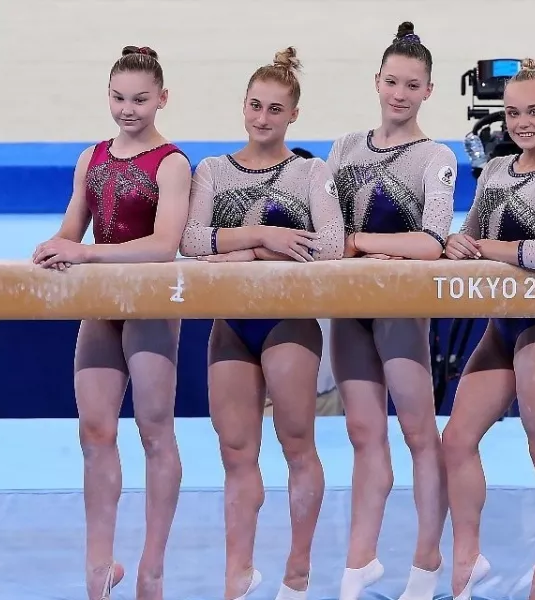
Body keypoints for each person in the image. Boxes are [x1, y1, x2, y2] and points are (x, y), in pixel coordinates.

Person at [179, 47, 345, 600]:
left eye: (276, 109)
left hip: (287, 323)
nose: (263, 117)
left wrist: (245, 252)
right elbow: (191, 240)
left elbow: (332, 245)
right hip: (233, 323)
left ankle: (297, 573)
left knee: (296, 444)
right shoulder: (212, 171)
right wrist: (261, 237)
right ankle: (238, 575)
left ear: (293, 114)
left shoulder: (310, 172)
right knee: (235, 452)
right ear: (243, 106)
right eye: (255, 105)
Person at [31, 46, 192, 600]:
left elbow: (165, 245)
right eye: (119, 98)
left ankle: (152, 569)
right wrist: (55, 247)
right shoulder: (91, 158)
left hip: (148, 304)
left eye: (140, 99)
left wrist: (87, 254)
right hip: (102, 305)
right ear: (108, 96)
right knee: (95, 432)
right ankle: (99, 569)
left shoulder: (172, 163)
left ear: (162, 99)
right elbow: (72, 228)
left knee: (154, 432)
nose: (128, 109)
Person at [442, 58, 535, 600]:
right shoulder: (497, 171)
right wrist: (458, 243)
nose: (522, 123)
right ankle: (468, 557)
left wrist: (483, 247)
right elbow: (470, 234)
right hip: (502, 325)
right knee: (456, 439)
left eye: (534, 112)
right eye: (513, 113)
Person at [325, 21, 457, 600]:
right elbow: (326, 228)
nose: (400, 94)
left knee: (418, 431)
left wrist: (359, 243)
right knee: (362, 432)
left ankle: (427, 563)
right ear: (376, 81)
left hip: (399, 305)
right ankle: (360, 562)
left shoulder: (435, 157)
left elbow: (432, 240)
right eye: (392, 82)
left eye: (412, 85)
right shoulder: (344, 148)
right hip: (350, 305)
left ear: (428, 90)